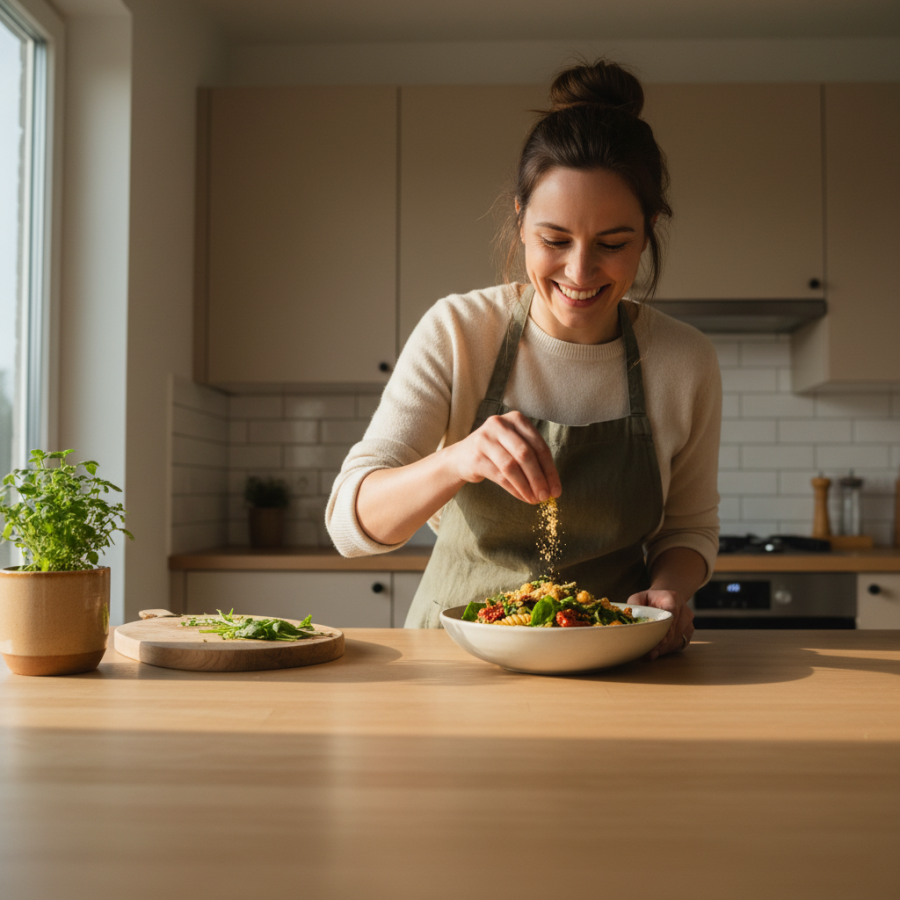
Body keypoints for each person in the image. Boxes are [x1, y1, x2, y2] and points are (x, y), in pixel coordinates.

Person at [326, 59, 721, 658]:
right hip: (449, 664)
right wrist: (458, 460)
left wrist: (667, 592)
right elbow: (352, 528)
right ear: (520, 218)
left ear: (649, 230)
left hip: (612, 662)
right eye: (554, 240)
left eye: (613, 244)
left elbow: (689, 530)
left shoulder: (684, 361)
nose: (580, 273)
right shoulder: (460, 331)